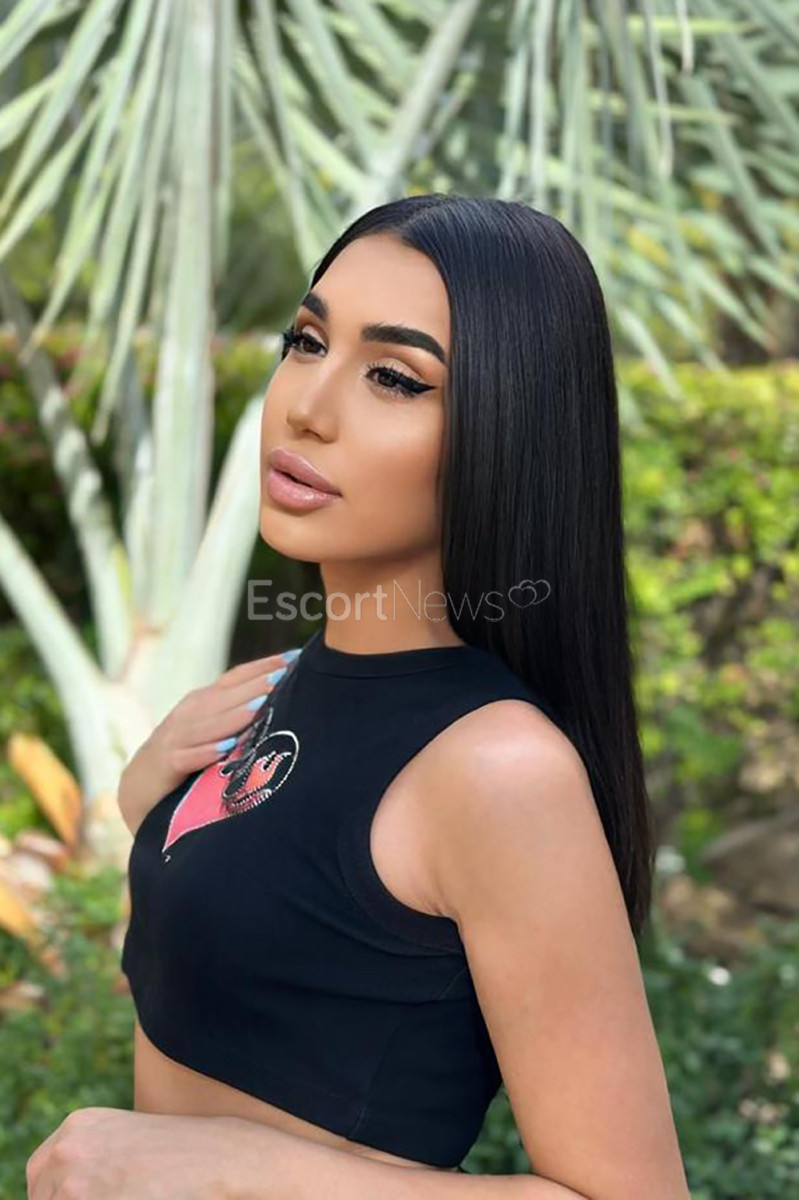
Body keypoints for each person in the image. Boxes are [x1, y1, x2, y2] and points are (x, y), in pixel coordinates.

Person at [103, 194, 688, 1197]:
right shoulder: (286, 684)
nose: (307, 406)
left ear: (509, 432)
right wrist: (145, 800)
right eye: (306, 341)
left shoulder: (498, 770)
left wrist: (234, 1167)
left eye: (393, 377)